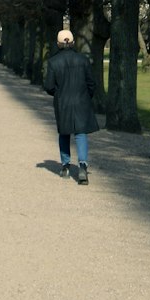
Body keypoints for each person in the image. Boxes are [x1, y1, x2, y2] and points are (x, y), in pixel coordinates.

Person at [44, 28, 98, 185]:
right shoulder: (83, 60)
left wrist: (58, 94)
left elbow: (48, 86)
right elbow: (91, 83)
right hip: (81, 100)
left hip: (63, 102)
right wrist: (87, 96)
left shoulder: (53, 62)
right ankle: (82, 166)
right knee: (81, 134)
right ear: (73, 43)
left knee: (64, 134)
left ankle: (65, 166)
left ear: (58, 44)